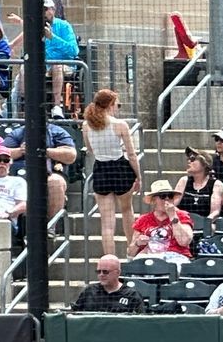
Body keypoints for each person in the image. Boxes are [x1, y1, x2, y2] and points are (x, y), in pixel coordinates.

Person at [80, 89, 140, 258]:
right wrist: (138, 176)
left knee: (106, 221)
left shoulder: (86, 125)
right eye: (116, 104)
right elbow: (132, 154)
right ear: (111, 105)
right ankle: (132, 252)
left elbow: (90, 150)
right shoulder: (119, 125)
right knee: (127, 211)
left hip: (101, 169)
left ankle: (109, 259)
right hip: (120, 168)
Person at [128, 180, 194, 266]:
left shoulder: (182, 215)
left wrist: (173, 216)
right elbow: (130, 254)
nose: (167, 199)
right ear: (154, 200)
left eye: (170, 196)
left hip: (175, 257)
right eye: (163, 196)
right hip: (149, 258)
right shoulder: (143, 219)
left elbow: (184, 241)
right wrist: (137, 243)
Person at [72, 253, 148, 313]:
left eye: (105, 272)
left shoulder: (132, 295)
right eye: (98, 271)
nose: (101, 275)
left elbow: (140, 322)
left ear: (118, 273)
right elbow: (75, 314)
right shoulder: (89, 292)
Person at [173, 152, 221, 220]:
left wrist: (205, 223)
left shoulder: (216, 184)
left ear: (204, 164)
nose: (189, 161)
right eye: (189, 159)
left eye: (193, 159)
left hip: (205, 223)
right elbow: (173, 205)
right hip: (183, 221)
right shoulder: (184, 180)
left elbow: (215, 212)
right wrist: (185, 218)